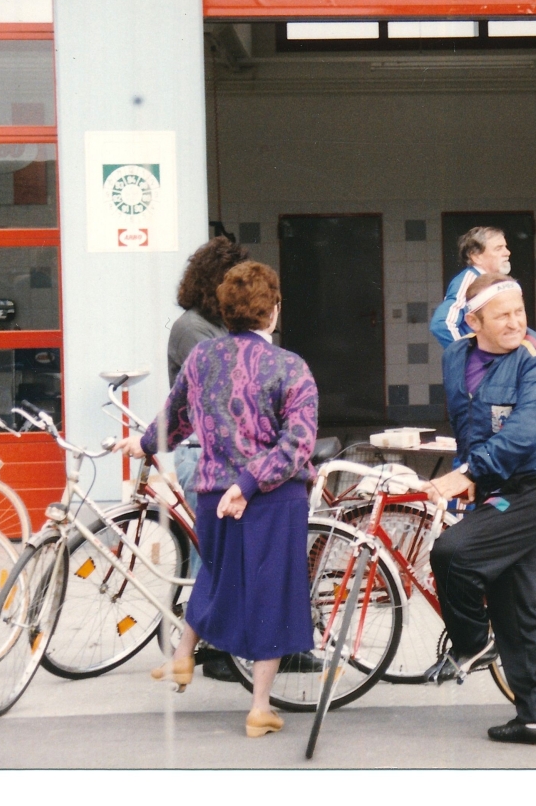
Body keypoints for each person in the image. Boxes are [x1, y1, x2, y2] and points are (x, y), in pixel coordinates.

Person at [116, 262, 318, 739]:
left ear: (225, 312)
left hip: (212, 495)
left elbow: (175, 418)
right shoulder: (291, 367)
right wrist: (249, 485)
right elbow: (298, 444)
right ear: (272, 312)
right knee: (273, 595)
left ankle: (184, 656)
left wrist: (143, 444)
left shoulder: (202, 358)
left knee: (218, 574)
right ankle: (259, 708)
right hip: (270, 498)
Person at [422, 272, 536, 746]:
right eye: (503, 315)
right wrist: (472, 473)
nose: (516, 324)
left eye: (520, 312)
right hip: (493, 483)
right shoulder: (455, 356)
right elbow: (468, 420)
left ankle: (473, 643)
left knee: (452, 552)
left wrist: (466, 474)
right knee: (521, 597)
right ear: (473, 321)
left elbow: (524, 432)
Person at [167, 237, 250, 682]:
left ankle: (210, 643)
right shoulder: (194, 329)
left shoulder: (217, 325)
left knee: (221, 551)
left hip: (222, 450)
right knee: (215, 553)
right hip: (203, 452)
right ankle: (214, 649)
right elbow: (226, 392)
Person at [429, 226, 511, 348]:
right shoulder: (469, 281)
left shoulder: (493, 281)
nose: (507, 252)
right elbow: (442, 323)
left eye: (505, 247)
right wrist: (466, 356)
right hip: (480, 365)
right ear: (476, 257)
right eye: (498, 248)